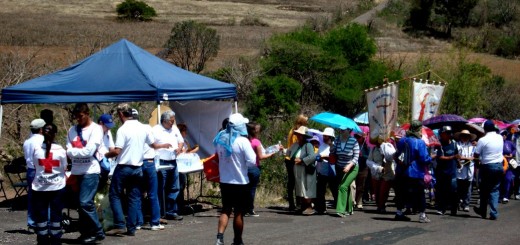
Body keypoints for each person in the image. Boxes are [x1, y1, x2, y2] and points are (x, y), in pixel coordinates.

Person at [105, 104, 169, 236]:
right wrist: (163, 145)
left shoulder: (123, 130)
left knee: (115, 194)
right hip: (138, 167)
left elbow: (117, 151)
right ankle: (132, 227)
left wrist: (105, 154)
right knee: (134, 197)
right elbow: (153, 145)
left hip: (124, 166)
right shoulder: (143, 128)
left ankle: (120, 224)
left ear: (121, 114)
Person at [213, 113, 256, 245]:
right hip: (240, 181)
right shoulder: (243, 141)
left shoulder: (221, 139)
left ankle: (219, 237)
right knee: (238, 212)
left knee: (226, 209)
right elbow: (252, 161)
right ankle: (238, 239)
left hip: (225, 180)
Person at [65, 103, 105, 243]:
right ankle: (86, 232)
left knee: (85, 202)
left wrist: (74, 153)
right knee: (80, 205)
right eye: (76, 117)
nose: (78, 119)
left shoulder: (96, 129)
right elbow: (68, 150)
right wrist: (76, 153)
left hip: (91, 171)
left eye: (80, 116)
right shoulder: (72, 130)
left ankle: (97, 231)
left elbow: (89, 151)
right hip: (76, 171)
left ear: (87, 113)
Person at [31, 123, 68, 245]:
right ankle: (56, 238)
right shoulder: (61, 150)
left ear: (42, 132)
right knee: (56, 214)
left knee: (40, 215)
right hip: (57, 187)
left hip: (39, 187)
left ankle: (41, 239)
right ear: (55, 134)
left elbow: (34, 166)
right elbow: (64, 168)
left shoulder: (36, 150)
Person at [393, 120, 432, 223]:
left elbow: (396, 155)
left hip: (401, 171)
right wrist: (430, 158)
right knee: (420, 193)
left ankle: (399, 212)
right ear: (418, 129)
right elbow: (424, 158)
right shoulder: (420, 142)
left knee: (401, 192)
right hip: (415, 172)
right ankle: (422, 215)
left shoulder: (402, 140)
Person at [153, 110, 184, 221]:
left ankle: (171, 211)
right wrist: (163, 145)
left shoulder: (174, 128)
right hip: (161, 161)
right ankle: (160, 213)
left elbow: (181, 141)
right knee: (161, 187)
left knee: (174, 187)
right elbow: (151, 145)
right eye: (171, 121)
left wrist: (179, 148)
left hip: (173, 160)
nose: (172, 123)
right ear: (164, 121)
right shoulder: (156, 130)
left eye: (173, 121)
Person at [245, 122, 281, 217]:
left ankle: (243, 208)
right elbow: (261, 156)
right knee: (252, 189)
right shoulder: (256, 142)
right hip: (254, 167)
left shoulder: (244, 141)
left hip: (244, 168)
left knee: (245, 189)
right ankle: (250, 209)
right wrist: (271, 154)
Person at [473, 120, 504, 220]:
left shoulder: (483, 140)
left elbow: (476, 154)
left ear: (485, 129)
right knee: (495, 189)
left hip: (487, 166)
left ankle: (483, 210)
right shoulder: (500, 137)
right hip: (499, 165)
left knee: (484, 189)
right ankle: (493, 212)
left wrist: (477, 164)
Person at [286, 126, 317, 215]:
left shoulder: (308, 145)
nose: (299, 136)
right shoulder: (295, 145)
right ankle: (303, 206)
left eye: (300, 135)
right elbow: (289, 153)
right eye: (298, 134)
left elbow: (312, 156)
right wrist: (282, 150)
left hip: (306, 169)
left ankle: (309, 207)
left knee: (307, 187)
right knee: (300, 187)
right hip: (297, 169)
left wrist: (302, 160)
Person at [330, 126, 359, 217]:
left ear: (349, 131)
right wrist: (331, 145)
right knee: (345, 187)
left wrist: (349, 166)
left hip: (352, 167)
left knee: (343, 187)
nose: (341, 131)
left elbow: (356, 157)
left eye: (343, 129)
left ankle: (340, 210)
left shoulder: (353, 141)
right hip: (339, 167)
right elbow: (332, 152)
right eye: (340, 129)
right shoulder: (337, 140)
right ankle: (349, 208)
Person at [23, 118, 45, 233]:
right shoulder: (43, 140)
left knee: (32, 197)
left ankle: (32, 223)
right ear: (41, 129)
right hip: (41, 169)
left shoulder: (27, 142)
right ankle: (45, 221)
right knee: (46, 196)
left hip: (30, 170)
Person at [434, 126, 460, 216]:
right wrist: (452, 157)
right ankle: (442, 208)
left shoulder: (454, 143)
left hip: (452, 171)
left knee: (453, 190)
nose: (449, 134)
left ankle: (454, 208)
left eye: (450, 133)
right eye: (447, 133)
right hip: (442, 172)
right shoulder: (439, 145)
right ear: (442, 134)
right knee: (442, 191)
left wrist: (458, 162)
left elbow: (456, 154)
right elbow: (440, 157)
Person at [284, 114, 308, 210]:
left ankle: (292, 203)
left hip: (288, 157)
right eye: (306, 121)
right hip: (293, 158)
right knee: (296, 181)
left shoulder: (292, 130)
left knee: (292, 181)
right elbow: (296, 145)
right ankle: (296, 203)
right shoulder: (296, 132)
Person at [367, 138, 396, 213]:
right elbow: (368, 161)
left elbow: (390, 156)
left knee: (384, 190)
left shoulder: (389, 146)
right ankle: (379, 205)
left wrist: (383, 146)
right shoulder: (373, 149)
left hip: (388, 172)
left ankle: (382, 206)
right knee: (377, 191)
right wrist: (378, 167)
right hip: (377, 173)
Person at [454, 129, 476, 212]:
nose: (465, 137)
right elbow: (457, 156)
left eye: (467, 136)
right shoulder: (457, 145)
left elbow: (475, 155)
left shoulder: (472, 146)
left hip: (469, 167)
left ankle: (466, 203)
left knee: (468, 187)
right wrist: (465, 158)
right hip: (460, 168)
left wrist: (472, 158)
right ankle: (459, 202)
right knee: (459, 187)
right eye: (463, 136)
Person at [315, 127, 336, 214]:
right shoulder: (322, 146)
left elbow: (334, 157)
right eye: (324, 136)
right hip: (322, 170)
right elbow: (318, 155)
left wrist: (325, 157)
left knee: (334, 189)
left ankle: (340, 206)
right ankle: (321, 208)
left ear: (331, 137)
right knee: (320, 190)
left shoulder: (334, 146)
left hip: (332, 171)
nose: (324, 138)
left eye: (326, 136)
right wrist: (319, 158)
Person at [96, 114, 115, 191]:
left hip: (106, 165)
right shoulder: (95, 132)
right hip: (97, 165)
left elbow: (112, 147)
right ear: (101, 123)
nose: (108, 128)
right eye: (107, 126)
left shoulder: (108, 132)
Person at [354, 132, 370, 210]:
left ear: (363, 138)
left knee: (361, 186)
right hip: (354, 167)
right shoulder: (354, 145)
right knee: (354, 185)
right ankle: (353, 201)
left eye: (358, 137)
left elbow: (369, 156)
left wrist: (362, 155)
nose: (357, 138)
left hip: (363, 168)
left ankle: (359, 201)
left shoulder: (366, 147)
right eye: (356, 136)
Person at [499, 130, 516, 203]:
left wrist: (512, 154)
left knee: (508, 179)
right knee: (500, 181)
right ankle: (500, 196)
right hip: (499, 164)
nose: (504, 136)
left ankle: (506, 196)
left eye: (505, 135)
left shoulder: (509, 143)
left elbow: (515, 149)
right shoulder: (497, 143)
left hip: (508, 164)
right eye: (502, 134)